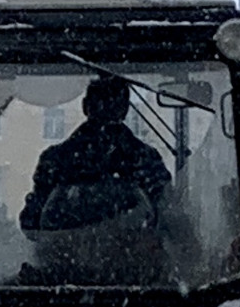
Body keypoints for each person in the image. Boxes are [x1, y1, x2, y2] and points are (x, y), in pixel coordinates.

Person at [21, 75, 171, 234]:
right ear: (125, 109)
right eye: (104, 104)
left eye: (110, 104)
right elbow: (169, 219)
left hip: (68, 254)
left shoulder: (56, 160)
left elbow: (31, 223)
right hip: (132, 255)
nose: (106, 112)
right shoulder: (145, 159)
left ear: (85, 107)